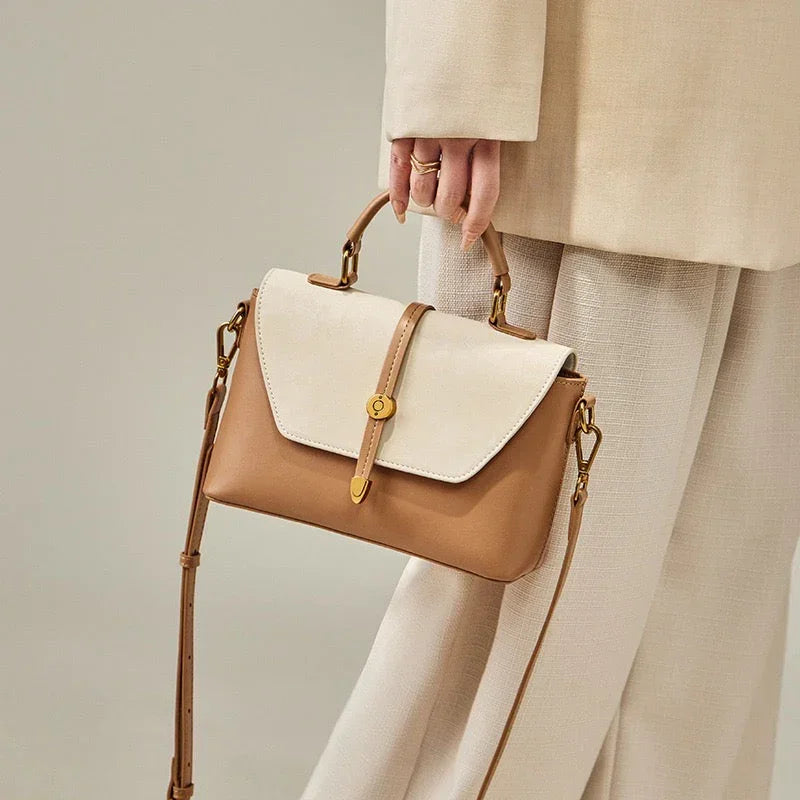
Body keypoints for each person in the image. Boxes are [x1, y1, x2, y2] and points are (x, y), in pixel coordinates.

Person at [302, 2, 800, 798]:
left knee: (706, 636)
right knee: (506, 622)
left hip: (768, 117)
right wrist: (456, 73)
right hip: (594, 111)